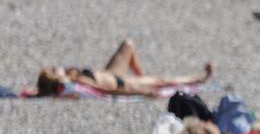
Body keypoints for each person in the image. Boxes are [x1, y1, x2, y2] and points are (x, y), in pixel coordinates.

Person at [35, 39, 211, 98]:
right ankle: (198, 78)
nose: (57, 67)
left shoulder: (72, 76)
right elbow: (105, 91)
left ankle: (142, 77)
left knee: (128, 44)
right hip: (121, 83)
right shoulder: (76, 82)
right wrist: (141, 92)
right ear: (57, 78)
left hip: (111, 73)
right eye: (54, 69)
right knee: (161, 81)